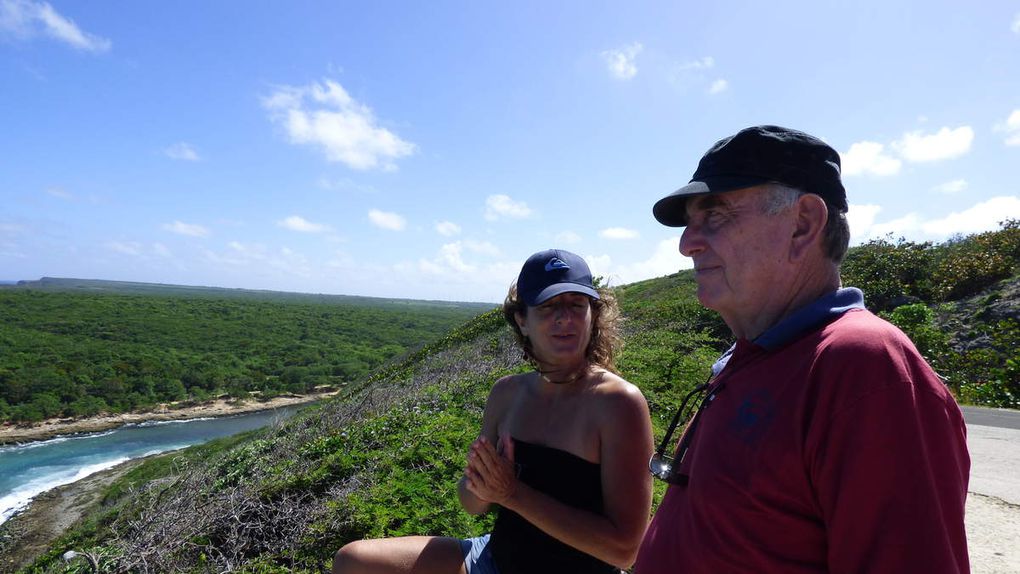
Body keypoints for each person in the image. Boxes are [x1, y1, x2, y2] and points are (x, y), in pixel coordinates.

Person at [635, 125, 971, 573]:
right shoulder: (751, 355)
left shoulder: (865, 367)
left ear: (803, 224)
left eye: (714, 215)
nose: (686, 244)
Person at [333, 248, 654, 574]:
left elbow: (625, 550)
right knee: (353, 561)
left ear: (593, 315)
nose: (564, 318)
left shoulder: (618, 403)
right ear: (522, 320)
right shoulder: (507, 392)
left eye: (577, 305)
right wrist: (481, 484)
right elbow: (471, 505)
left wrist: (513, 493)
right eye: (548, 307)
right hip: (493, 558)